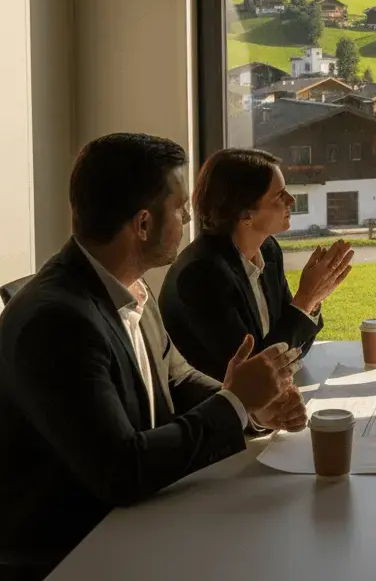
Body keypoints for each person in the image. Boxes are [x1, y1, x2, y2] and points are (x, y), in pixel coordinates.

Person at [0, 134, 306, 578]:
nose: (188, 218)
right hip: (71, 554)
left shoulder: (129, 287)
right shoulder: (58, 323)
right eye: (180, 208)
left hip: (132, 523)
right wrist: (234, 403)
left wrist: (254, 409)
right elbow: (122, 470)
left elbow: (176, 380)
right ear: (143, 225)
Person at [160, 148, 354, 381]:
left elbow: (293, 350)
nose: (291, 200)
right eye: (279, 195)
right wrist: (305, 299)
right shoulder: (201, 276)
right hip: (216, 411)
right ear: (245, 215)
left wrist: (312, 300)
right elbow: (253, 376)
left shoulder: (268, 250)